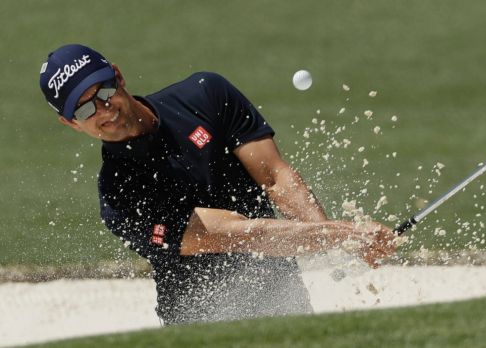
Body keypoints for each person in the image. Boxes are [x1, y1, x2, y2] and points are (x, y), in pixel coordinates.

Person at [39, 44, 397, 325]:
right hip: (203, 327)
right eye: (84, 111)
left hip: (284, 299)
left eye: (102, 92)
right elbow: (236, 234)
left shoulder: (205, 95)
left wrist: (328, 235)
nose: (103, 110)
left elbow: (275, 177)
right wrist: (339, 235)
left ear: (117, 76)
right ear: (70, 123)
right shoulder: (120, 197)